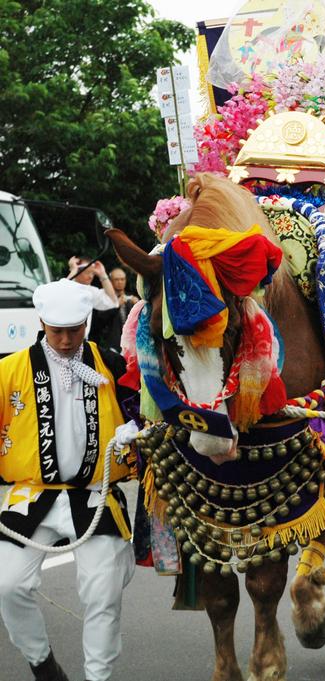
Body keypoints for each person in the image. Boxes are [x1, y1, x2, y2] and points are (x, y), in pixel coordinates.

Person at [0, 279, 139, 681]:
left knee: (103, 591)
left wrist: (138, 428)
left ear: (87, 323)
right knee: (7, 584)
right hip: (32, 493)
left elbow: (149, 411)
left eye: (74, 330)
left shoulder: (114, 365)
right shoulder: (9, 370)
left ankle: (98, 677)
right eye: (55, 330)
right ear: (41, 322)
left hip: (95, 494)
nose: (64, 340)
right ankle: (43, 665)